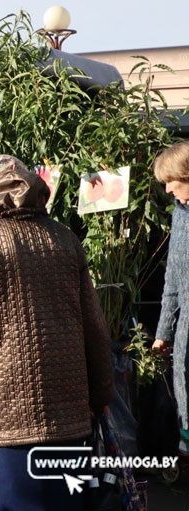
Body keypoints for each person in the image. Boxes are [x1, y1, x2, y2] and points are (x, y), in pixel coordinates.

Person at [0, 155, 114, 510]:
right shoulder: (65, 239)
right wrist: (100, 396)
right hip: (70, 414)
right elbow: (94, 327)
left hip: (7, 416)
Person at [152, 141, 189, 454]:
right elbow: (173, 281)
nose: (167, 190)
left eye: (170, 182)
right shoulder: (181, 214)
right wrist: (163, 333)